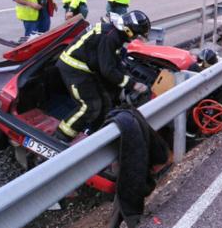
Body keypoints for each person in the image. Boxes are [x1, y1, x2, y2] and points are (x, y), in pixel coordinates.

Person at [54, 10, 151, 142]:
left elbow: (113, 61)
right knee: (90, 106)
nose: (135, 39)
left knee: (105, 103)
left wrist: (127, 78)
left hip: (87, 68)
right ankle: (60, 138)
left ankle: (95, 137)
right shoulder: (110, 36)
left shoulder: (115, 34)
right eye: (137, 35)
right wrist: (132, 85)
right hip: (74, 68)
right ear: (129, 30)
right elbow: (108, 70)